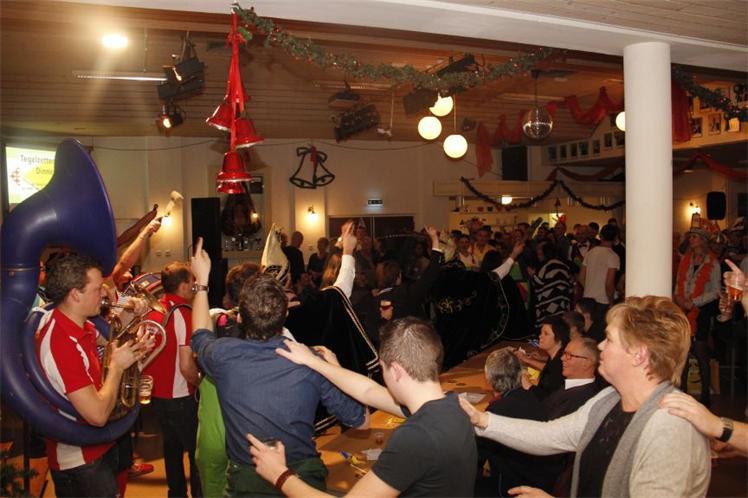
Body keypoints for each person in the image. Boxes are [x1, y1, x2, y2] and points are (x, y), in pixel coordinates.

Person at [460, 296, 711, 498]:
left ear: (639, 355)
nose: (600, 346)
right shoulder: (609, 400)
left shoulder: (670, 427)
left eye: (609, 340)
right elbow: (550, 435)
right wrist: (482, 420)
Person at [189, 239, 368, 497]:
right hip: (303, 478)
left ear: (240, 316)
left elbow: (199, 334)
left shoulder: (224, 356)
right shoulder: (310, 361)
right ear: (286, 314)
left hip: (247, 482)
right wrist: (334, 367)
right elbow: (361, 420)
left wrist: (202, 282)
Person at [248, 317, 477, 497]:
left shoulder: (416, 437)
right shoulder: (454, 405)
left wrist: (279, 474)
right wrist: (317, 363)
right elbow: (368, 391)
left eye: (383, 369)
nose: (383, 375)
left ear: (396, 371)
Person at [35, 253, 152, 498]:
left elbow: (112, 341)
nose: (104, 295)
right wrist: (117, 367)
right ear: (75, 294)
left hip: (96, 447)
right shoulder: (61, 343)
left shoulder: (78, 322)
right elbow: (97, 415)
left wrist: (132, 316)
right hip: (80, 460)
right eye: (98, 289)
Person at [143, 261, 202, 498]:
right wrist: (201, 384)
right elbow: (186, 366)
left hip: (158, 395)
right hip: (180, 396)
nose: (195, 286)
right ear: (183, 285)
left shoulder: (154, 310)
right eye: (192, 282)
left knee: (171, 448)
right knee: (196, 453)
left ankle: (176, 493)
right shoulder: (183, 313)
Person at [475, 348, 556, 497]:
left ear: (488, 378)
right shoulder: (532, 398)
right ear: (520, 374)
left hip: (513, 488)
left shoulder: (497, 410)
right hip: (543, 481)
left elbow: (477, 455)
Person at [673, 223, 720, 406]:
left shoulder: (713, 263)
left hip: (701, 312)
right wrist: (678, 298)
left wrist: (695, 302)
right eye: (690, 237)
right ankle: (682, 391)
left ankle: (705, 394)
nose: (690, 240)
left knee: (701, 352)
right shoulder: (686, 259)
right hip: (683, 310)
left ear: (703, 240)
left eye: (694, 237)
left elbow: (716, 291)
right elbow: (679, 282)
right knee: (683, 351)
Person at [542, 337, 602, 420]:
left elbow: (548, 424)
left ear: (586, 363)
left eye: (569, 355)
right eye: (564, 353)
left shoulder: (581, 398)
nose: (562, 358)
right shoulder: (571, 386)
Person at [514, 316, 570, 399]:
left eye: (546, 334)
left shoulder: (560, 364)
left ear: (559, 340)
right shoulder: (555, 356)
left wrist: (528, 385)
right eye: (541, 333)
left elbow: (549, 398)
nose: (540, 336)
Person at [578, 224, 620, 316]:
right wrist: (611, 302)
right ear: (615, 238)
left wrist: (590, 288)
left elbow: (581, 277)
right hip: (603, 301)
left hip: (587, 299)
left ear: (601, 236)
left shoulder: (590, 252)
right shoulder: (613, 256)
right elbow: (609, 284)